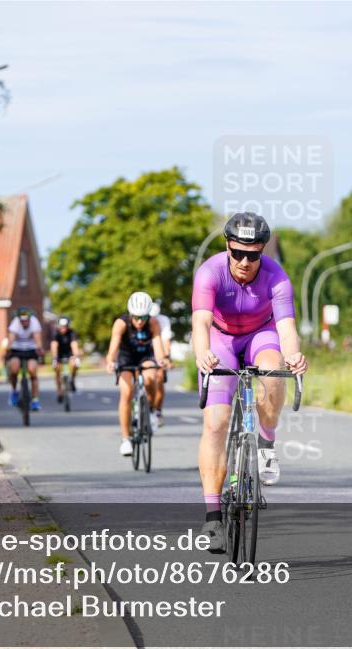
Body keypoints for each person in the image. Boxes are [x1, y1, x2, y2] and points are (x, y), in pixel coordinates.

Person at [191, 212, 307, 552]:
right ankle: (213, 517)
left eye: (253, 255)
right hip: (221, 339)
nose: (244, 261)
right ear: (228, 246)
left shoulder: (277, 277)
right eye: (238, 253)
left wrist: (295, 356)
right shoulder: (209, 272)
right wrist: (202, 354)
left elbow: (286, 329)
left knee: (274, 373)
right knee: (216, 422)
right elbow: (201, 322)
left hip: (261, 334)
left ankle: (266, 442)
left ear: (262, 252)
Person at [105, 292, 170, 457]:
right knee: (126, 393)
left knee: (151, 378)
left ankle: (151, 410)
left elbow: (158, 346)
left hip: (144, 357)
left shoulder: (153, 323)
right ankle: (126, 439)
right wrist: (110, 361)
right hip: (126, 357)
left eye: (143, 317)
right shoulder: (121, 323)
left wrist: (162, 360)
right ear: (130, 314)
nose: (140, 321)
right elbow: (113, 347)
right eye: (136, 317)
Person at [5, 307, 44, 411]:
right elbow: (11, 337)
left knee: (32, 371)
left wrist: (39, 349)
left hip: (31, 349)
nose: (25, 323)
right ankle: (14, 390)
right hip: (17, 349)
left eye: (26, 320)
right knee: (14, 368)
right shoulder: (15, 323)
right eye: (22, 321)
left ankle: (35, 400)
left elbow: (37, 337)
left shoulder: (34, 322)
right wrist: (8, 349)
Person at [149, 302, 174, 425]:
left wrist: (167, 358)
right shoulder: (142, 320)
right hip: (144, 351)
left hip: (159, 351)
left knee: (159, 378)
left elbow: (166, 340)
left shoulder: (163, 320)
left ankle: (157, 410)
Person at [50, 317, 82, 401]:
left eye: (65, 326)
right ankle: (59, 392)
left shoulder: (72, 333)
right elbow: (54, 346)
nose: (63, 328)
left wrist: (76, 357)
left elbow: (74, 345)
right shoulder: (55, 333)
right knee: (57, 370)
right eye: (61, 326)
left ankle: (72, 380)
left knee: (74, 364)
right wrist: (54, 358)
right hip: (59, 354)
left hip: (69, 353)